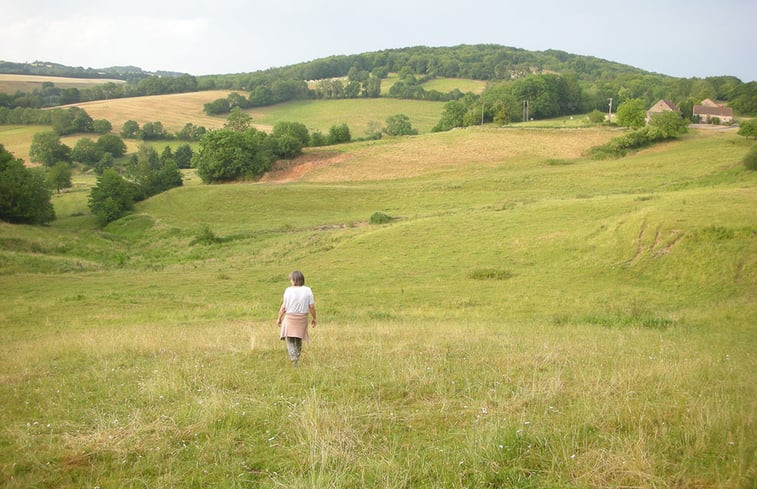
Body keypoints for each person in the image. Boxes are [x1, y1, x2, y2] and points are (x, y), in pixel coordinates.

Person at [276, 270, 317, 365]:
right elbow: (311, 307)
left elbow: (284, 306)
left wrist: (279, 318)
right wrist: (314, 318)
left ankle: (293, 359)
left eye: (291, 279)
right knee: (298, 338)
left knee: (289, 339)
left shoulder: (288, 290)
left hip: (290, 317)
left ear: (294, 280)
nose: (290, 281)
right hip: (302, 318)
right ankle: (296, 357)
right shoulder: (308, 290)